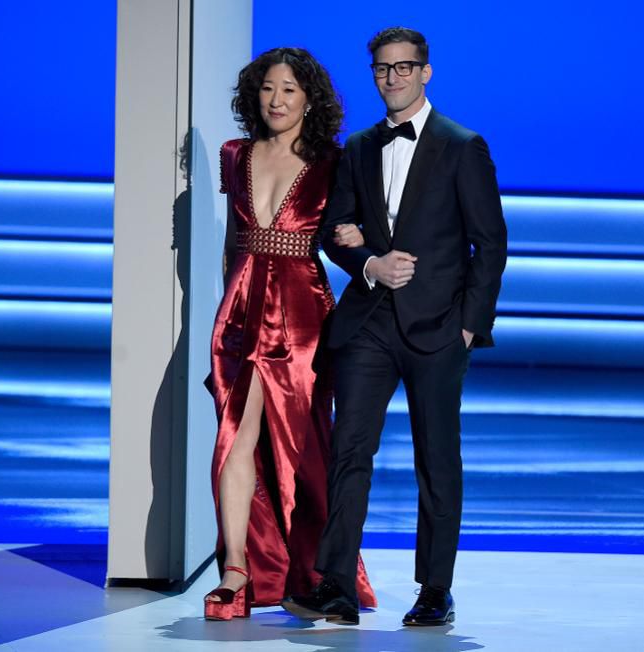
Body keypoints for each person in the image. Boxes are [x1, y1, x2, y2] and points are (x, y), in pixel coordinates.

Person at [282, 27, 507, 626]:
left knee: (437, 458)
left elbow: (490, 243)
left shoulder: (463, 146)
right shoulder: (358, 147)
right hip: (369, 323)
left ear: (425, 72)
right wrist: (369, 263)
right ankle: (336, 585)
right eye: (383, 68)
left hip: (439, 328)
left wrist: (469, 326)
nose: (393, 78)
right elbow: (334, 231)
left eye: (404, 67)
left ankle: (435, 589)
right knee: (349, 451)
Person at [203, 47, 377, 621]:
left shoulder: (334, 161)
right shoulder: (234, 154)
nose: (276, 100)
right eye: (267, 88)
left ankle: (321, 570)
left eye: (289, 90)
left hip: (302, 313)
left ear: (310, 99)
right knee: (234, 434)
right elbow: (232, 242)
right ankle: (235, 570)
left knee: (304, 446)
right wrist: (227, 306)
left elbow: (346, 234)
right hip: (238, 309)